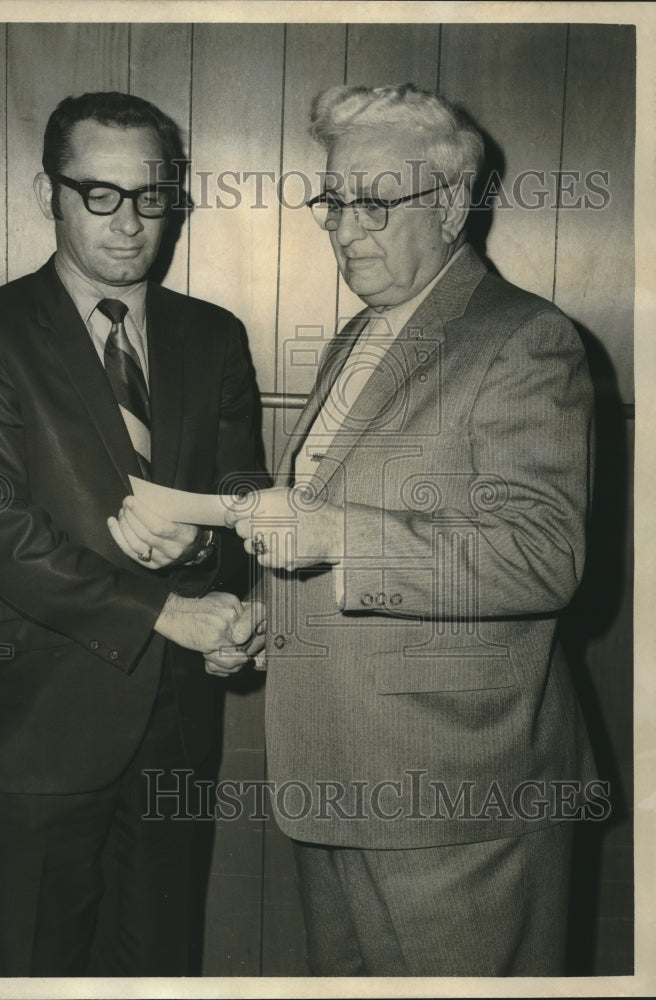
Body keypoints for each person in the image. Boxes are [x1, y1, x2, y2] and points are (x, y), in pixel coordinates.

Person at [221, 83, 598, 976]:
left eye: (377, 203)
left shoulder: (525, 338)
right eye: (335, 202)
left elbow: (545, 557)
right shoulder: (357, 336)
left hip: (459, 801)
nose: (347, 230)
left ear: (456, 202)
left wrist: (339, 535)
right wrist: (258, 622)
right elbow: (319, 524)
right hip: (333, 780)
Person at [0, 91, 261, 977]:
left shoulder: (214, 335)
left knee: (158, 973)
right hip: (36, 730)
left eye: (150, 198)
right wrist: (166, 610)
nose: (127, 224)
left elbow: (242, 505)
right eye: (98, 195)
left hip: (176, 730)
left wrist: (198, 553)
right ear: (50, 194)